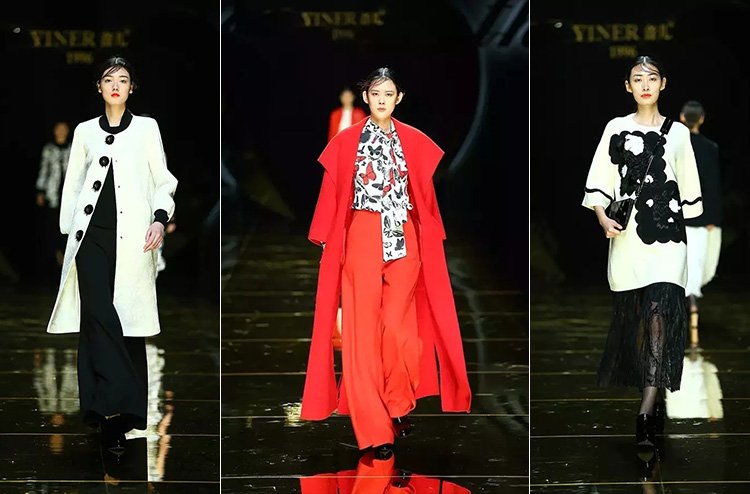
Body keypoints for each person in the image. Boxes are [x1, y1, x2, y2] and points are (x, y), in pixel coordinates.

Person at [301, 67, 472, 459]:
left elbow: (425, 197)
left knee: (398, 328)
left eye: (388, 94)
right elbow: (332, 192)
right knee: (361, 336)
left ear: (399, 99)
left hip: (402, 235)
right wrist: (328, 241)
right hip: (362, 232)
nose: (381, 100)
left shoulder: (413, 141)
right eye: (375, 93)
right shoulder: (346, 142)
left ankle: (397, 402)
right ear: (366, 98)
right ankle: (375, 430)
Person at [44, 56, 178, 456]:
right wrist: (68, 233)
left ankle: (112, 417)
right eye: (108, 79)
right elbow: (73, 183)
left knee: (126, 322)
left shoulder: (147, 128)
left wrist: (159, 219)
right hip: (90, 239)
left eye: (123, 79)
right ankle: (117, 404)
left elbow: (163, 180)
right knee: (98, 314)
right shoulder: (85, 131)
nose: (116, 85)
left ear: (132, 88)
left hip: (133, 239)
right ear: (99, 87)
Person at [581, 55, 703, 449]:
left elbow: (689, 190)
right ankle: (655, 387)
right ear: (628, 86)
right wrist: (603, 218)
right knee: (639, 322)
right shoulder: (615, 128)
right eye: (638, 79)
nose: (645, 85)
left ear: (663, 83)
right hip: (628, 238)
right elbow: (600, 179)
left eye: (652, 78)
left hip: (668, 238)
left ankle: (646, 411)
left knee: (658, 315)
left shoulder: (679, 134)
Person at [679, 100, 722, 349]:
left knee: (680, 263)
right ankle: (693, 305)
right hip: (702, 216)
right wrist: (712, 219)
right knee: (695, 264)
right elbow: (712, 185)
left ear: (682, 118)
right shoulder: (710, 147)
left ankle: (685, 310)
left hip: (677, 215)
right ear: (702, 119)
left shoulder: (675, 146)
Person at [35, 120, 71, 273]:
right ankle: (55, 256)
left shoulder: (72, 148)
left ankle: (65, 255)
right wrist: (40, 190)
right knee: (52, 225)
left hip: (69, 194)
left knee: (67, 225)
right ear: (54, 131)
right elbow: (44, 169)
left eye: (64, 129)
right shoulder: (49, 149)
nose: (61, 131)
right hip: (52, 193)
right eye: (58, 129)